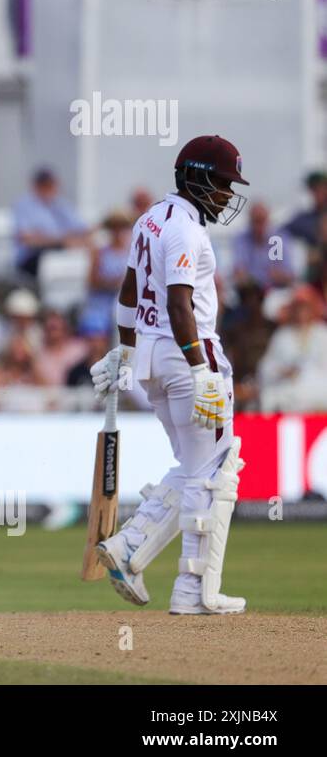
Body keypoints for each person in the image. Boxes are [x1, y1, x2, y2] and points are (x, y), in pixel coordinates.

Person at [90, 135, 250, 615]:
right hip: (188, 354)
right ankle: (196, 593)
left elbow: (128, 293)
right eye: (222, 183)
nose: (226, 195)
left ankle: (129, 547)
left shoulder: (148, 220)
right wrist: (201, 370)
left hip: (153, 362)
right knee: (218, 472)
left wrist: (124, 354)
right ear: (197, 177)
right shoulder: (183, 229)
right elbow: (179, 302)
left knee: (193, 467)